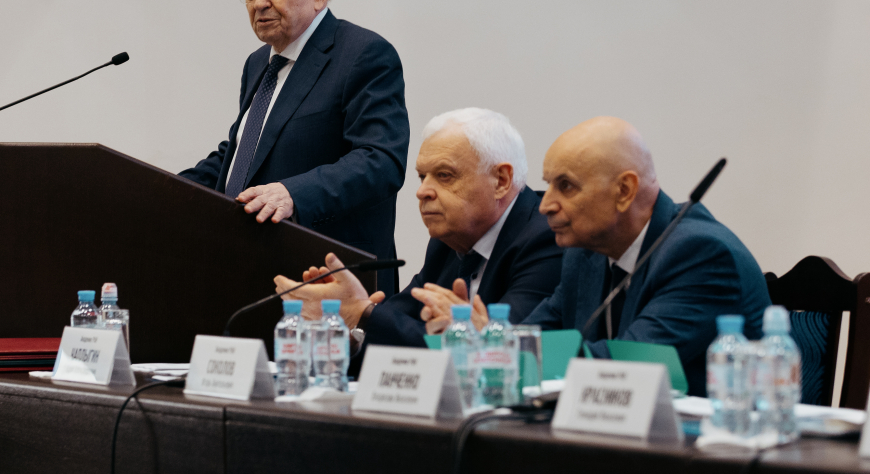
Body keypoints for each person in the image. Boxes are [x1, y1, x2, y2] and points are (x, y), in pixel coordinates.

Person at [179, 0, 409, 296]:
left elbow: (381, 161)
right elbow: (245, 153)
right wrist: (165, 188)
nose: (259, 3)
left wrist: (294, 193)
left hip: (331, 281)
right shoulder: (259, 63)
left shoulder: (362, 54)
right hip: (250, 268)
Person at [273, 108, 562, 350]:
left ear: (501, 181)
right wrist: (351, 324)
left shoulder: (546, 238)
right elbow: (400, 321)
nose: (422, 191)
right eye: (423, 177)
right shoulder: (448, 241)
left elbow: (506, 349)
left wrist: (362, 313)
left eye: (444, 175)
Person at [523, 116, 771, 396]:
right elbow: (534, 336)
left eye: (566, 186)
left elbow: (626, 367)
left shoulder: (701, 255)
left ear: (624, 191)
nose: (545, 205)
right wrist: (494, 342)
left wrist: (508, 353)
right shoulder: (586, 252)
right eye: (549, 185)